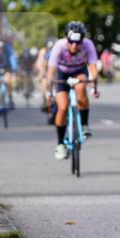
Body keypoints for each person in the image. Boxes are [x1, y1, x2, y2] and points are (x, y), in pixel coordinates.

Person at [46, 22, 99, 159]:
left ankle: (84, 125)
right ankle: (60, 144)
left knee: (81, 89)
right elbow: (50, 72)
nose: (75, 46)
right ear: (67, 40)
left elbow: (93, 68)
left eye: (78, 42)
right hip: (61, 73)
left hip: (79, 71)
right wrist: (48, 92)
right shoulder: (59, 46)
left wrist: (94, 87)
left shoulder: (88, 44)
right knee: (62, 107)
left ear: (83, 40)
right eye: (71, 42)